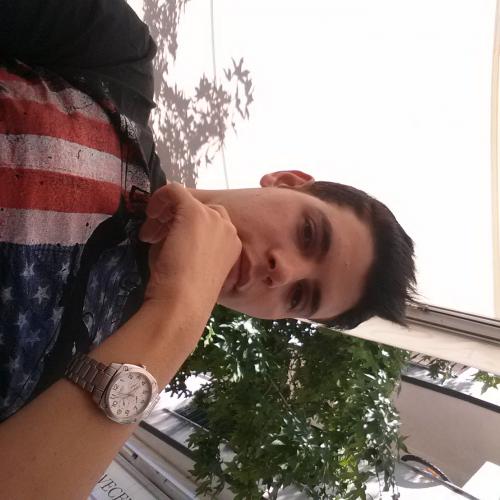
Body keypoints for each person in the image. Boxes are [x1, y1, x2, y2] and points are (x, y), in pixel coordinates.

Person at [0, 0, 415, 498]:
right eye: (308, 234)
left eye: (299, 297)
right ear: (287, 181)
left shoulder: (114, 365)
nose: (282, 272)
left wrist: (178, 316)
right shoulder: (116, 62)